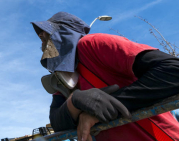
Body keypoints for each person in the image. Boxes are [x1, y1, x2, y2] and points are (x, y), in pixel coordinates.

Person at [32, 12, 179, 141]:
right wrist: (74, 101)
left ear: (65, 33)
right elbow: (57, 122)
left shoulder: (91, 44)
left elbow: (173, 70)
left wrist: (106, 107)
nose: (40, 36)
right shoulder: (62, 75)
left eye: (48, 31)